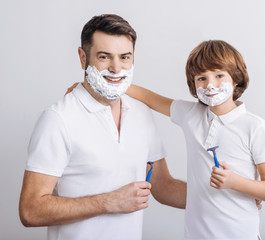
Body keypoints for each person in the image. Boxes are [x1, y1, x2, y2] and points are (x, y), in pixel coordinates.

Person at [19, 14, 186, 240]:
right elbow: (30, 210)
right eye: (104, 57)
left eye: (125, 57)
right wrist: (109, 202)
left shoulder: (141, 113)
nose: (116, 68)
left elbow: (164, 187)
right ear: (82, 57)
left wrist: (230, 194)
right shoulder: (58, 119)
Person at [126, 40, 265, 240]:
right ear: (193, 84)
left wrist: (235, 182)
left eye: (219, 75)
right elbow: (147, 97)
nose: (210, 84)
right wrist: (90, 88)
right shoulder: (190, 114)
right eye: (201, 78)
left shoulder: (255, 127)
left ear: (236, 79)